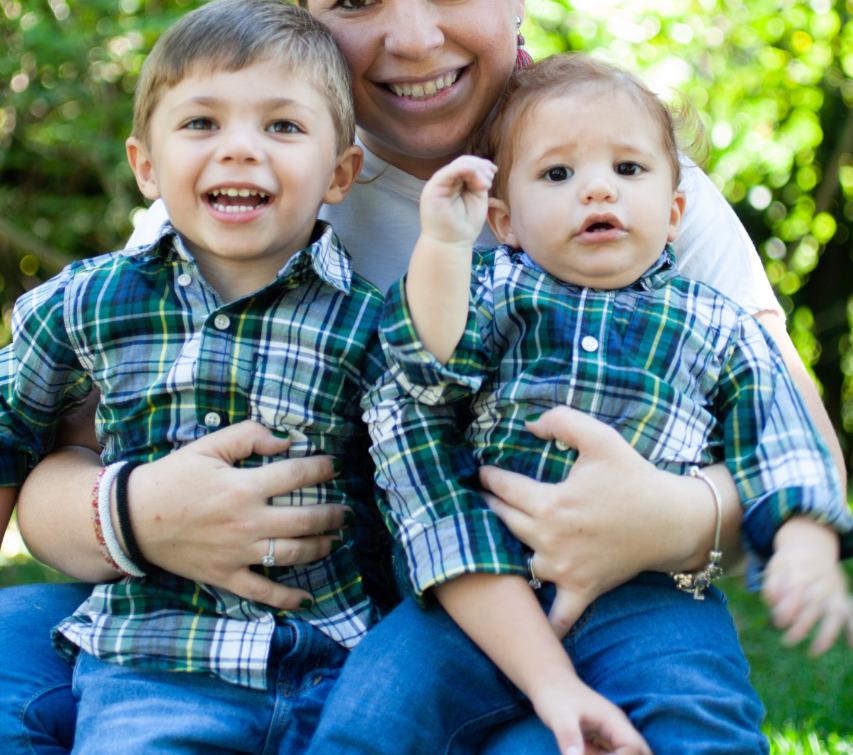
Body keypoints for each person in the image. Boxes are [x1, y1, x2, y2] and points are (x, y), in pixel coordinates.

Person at [0, 0, 845, 753]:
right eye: (356, 1)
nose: (410, 37)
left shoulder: (628, 188)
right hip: (254, 615)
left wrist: (679, 517)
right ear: (305, 9)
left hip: (555, 615)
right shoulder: (255, 184)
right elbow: (47, 461)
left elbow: (799, 443)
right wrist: (136, 515)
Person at [305, 54, 852, 755]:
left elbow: (779, 433)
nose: (597, 190)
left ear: (675, 209)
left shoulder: (716, 323)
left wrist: (805, 538)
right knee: (370, 711)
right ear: (504, 218)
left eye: (627, 170)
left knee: (699, 712)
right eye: (557, 175)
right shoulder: (495, 289)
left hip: (647, 591)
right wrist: (442, 242)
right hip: (480, 585)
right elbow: (425, 365)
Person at [0, 0, 394, 752]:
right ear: (145, 164)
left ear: (341, 171)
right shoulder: (91, 303)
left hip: (337, 658)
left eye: (282, 125)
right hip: (159, 665)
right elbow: (9, 425)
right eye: (201, 123)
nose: (240, 149)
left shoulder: (373, 326)